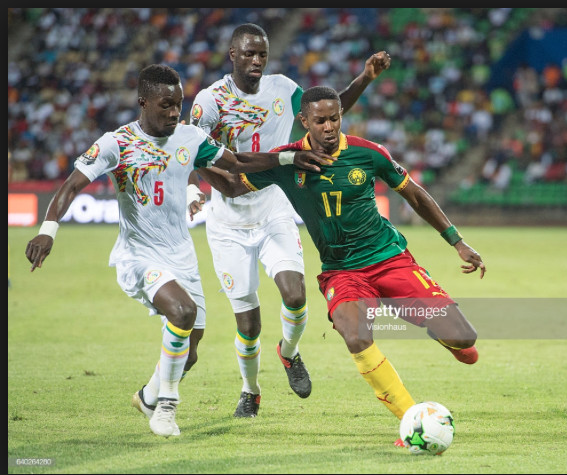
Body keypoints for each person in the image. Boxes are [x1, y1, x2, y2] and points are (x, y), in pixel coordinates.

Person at [24, 64, 331, 438]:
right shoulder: (116, 143)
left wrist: (286, 158)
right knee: (183, 313)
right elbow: (71, 186)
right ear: (143, 102)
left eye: (178, 105)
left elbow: (236, 162)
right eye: (166, 105)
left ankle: (148, 395)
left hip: (181, 255)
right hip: (139, 255)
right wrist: (48, 230)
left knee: (192, 349)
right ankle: (166, 407)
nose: (174, 113)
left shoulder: (189, 137)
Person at [199, 86, 484, 444]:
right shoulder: (287, 161)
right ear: (304, 122)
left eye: (334, 118)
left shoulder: (368, 153)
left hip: (388, 259)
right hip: (342, 272)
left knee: (464, 339)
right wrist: (198, 160)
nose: (329, 126)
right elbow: (234, 186)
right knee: (355, 334)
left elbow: (413, 193)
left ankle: (422, 319)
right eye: (320, 121)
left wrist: (456, 241)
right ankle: (409, 419)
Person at [189, 23, 392, 417]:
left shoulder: (282, 89)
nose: (256, 61)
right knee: (247, 323)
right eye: (248, 54)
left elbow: (328, 111)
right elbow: (194, 151)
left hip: (274, 209)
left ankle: (290, 352)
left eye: (261, 54)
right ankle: (250, 391)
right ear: (232, 54)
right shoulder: (209, 101)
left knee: (296, 295)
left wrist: (365, 78)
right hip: (227, 224)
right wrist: (217, 187)